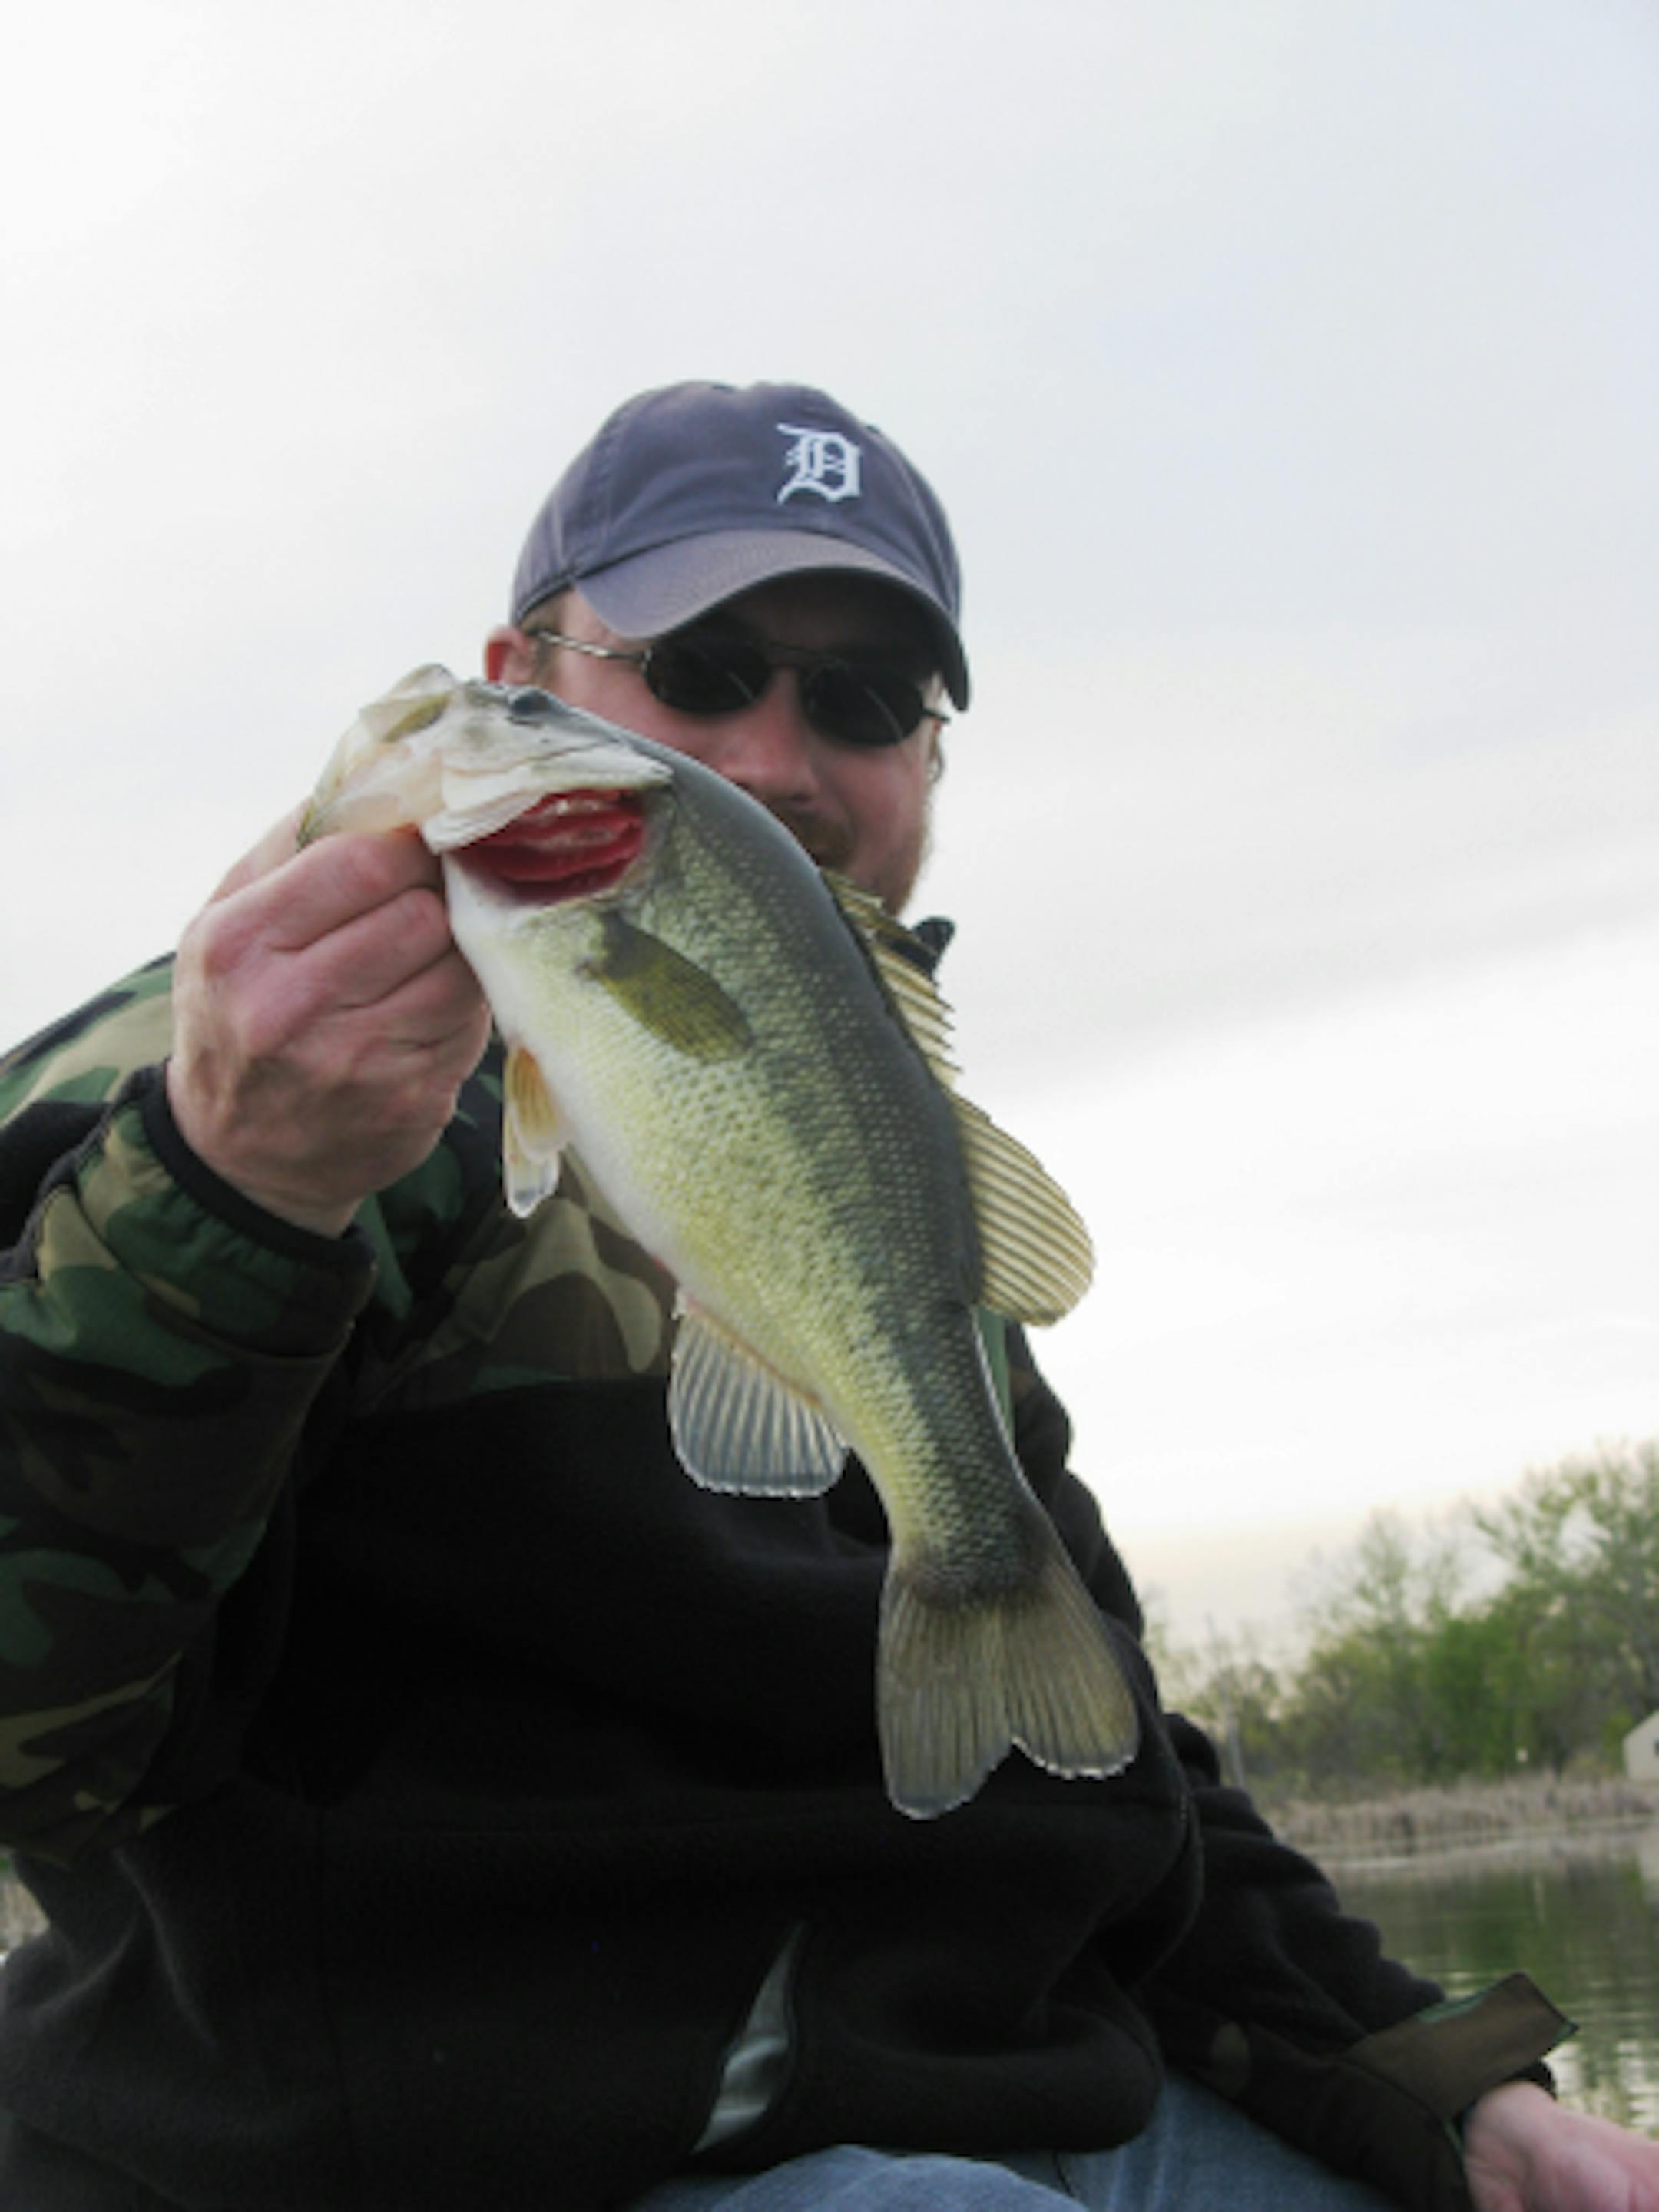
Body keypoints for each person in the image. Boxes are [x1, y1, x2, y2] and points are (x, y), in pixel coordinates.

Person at [0, 380, 1651, 2212]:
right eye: (699, 667)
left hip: (1008, 2093)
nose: (775, 758)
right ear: (521, 676)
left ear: (931, 766)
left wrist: (1442, 2088)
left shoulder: (894, 1183)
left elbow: (1119, 1788)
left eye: (863, 701)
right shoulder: (195, 1097)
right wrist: (229, 1193)